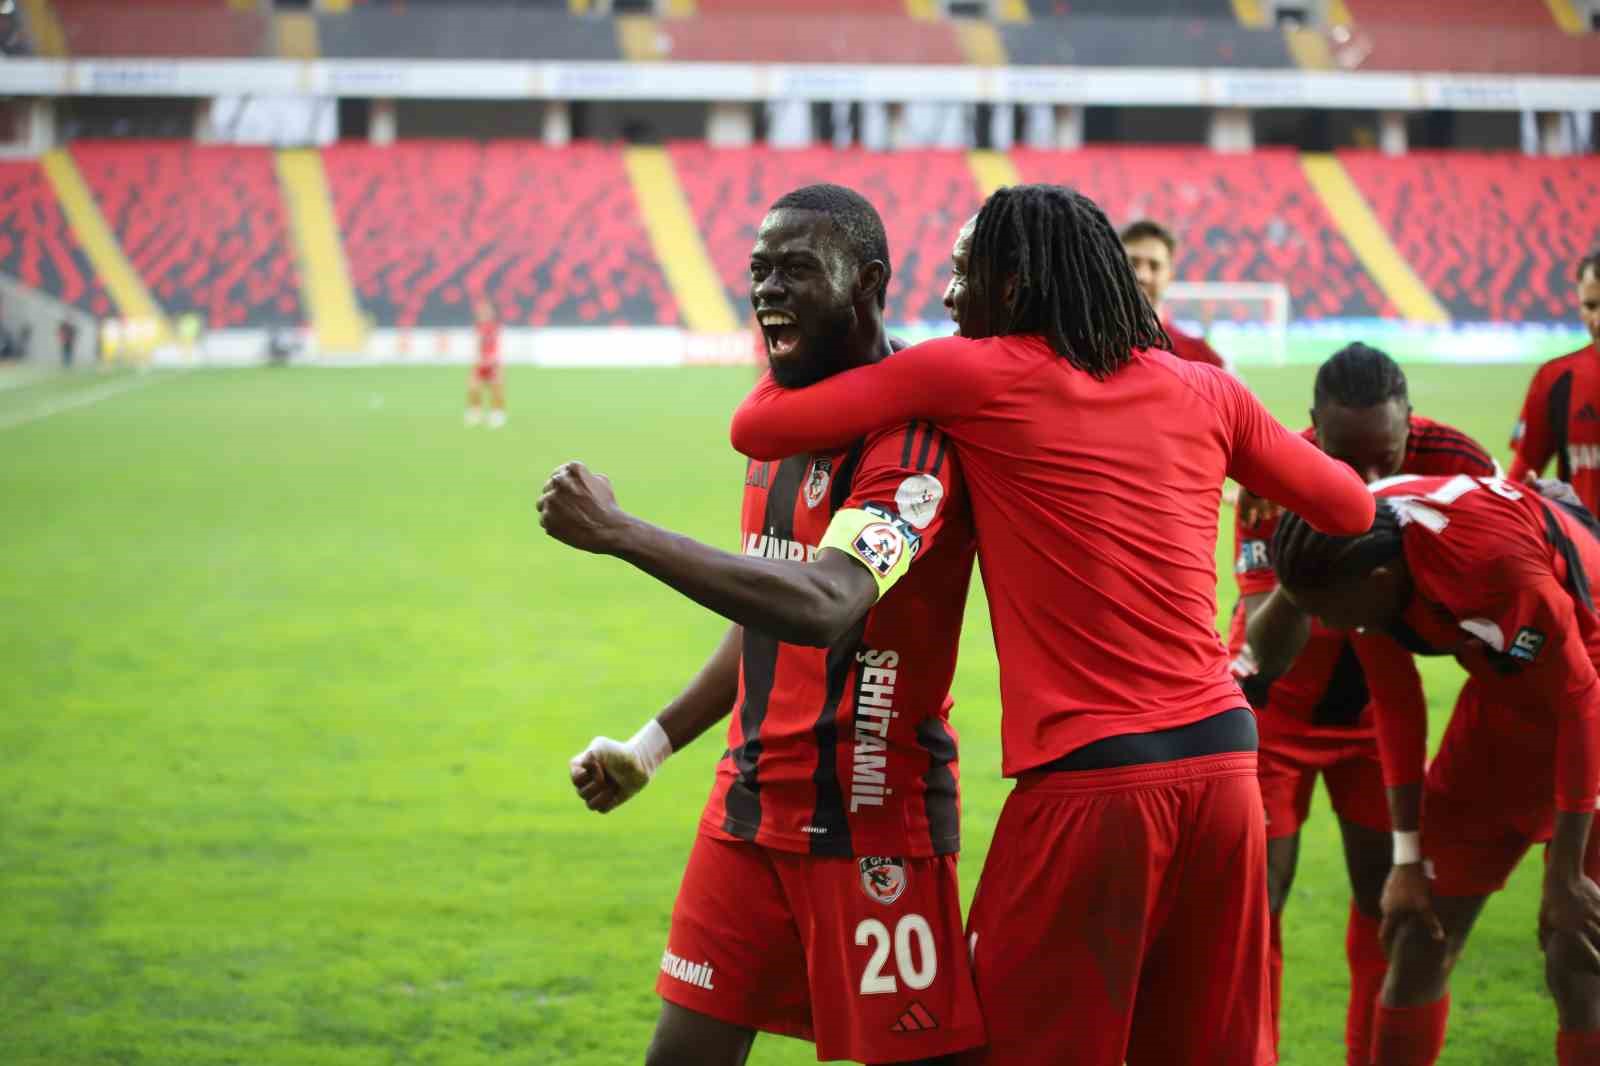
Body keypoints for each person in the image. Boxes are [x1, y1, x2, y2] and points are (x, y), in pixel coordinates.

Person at [728, 183, 1375, 1066]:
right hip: (1226, 772)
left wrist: (786, 326)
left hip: (1091, 785)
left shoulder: (972, 374)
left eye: (966, 274)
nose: (949, 296)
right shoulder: (1209, 391)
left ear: (1015, 284)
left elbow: (758, 424)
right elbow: (1349, 508)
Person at [541, 184, 984, 1065]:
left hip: (869, 823)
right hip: (745, 814)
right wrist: (651, 747)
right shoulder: (785, 421)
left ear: (866, 282)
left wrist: (623, 533)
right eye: (759, 270)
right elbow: (765, 613)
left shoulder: (910, 446)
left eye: (795, 270)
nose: (768, 290)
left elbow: (823, 604)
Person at [1272, 476, 1600, 1066]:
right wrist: (1406, 857)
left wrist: (1567, 874)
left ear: (1378, 582)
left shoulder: (1488, 563)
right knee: (1419, 930)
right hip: (1506, 701)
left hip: (1590, 696)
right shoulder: (1355, 544)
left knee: (1577, 956)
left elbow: (1580, 694)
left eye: (1324, 611)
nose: (1323, 624)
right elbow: (1395, 702)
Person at [1229, 343, 1497, 1063]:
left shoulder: (1461, 464)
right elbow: (1265, 650)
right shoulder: (1273, 475)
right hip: (1274, 714)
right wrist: (1303, 566)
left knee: (1392, 908)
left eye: (1388, 458)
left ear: (1412, 421)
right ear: (1313, 429)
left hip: (1377, 718)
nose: (1370, 485)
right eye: (1347, 463)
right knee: (1255, 906)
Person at [1510, 250, 1600, 513]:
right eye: (1590, 306)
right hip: (1582, 537)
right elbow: (1523, 472)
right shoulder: (1554, 379)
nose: (1598, 320)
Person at [1121, 218, 1228, 370]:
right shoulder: (1090, 347)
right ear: (1114, 268)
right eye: (1132, 263)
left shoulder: (1200, 357)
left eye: (1154, 266)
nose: (1142, 276)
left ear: (1170, 276)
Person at [466, 298, 505, 428]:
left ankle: (497, 414)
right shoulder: (478, 327)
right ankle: (475, 412)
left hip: (493, 362)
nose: (483, 313)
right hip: (480, 362)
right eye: (481, 311)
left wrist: (494, 359)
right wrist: (477, 358)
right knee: (473, 387)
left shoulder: (495, 327)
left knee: (496, 388)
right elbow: (476, 344)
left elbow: (498, 345)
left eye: (486, 311)